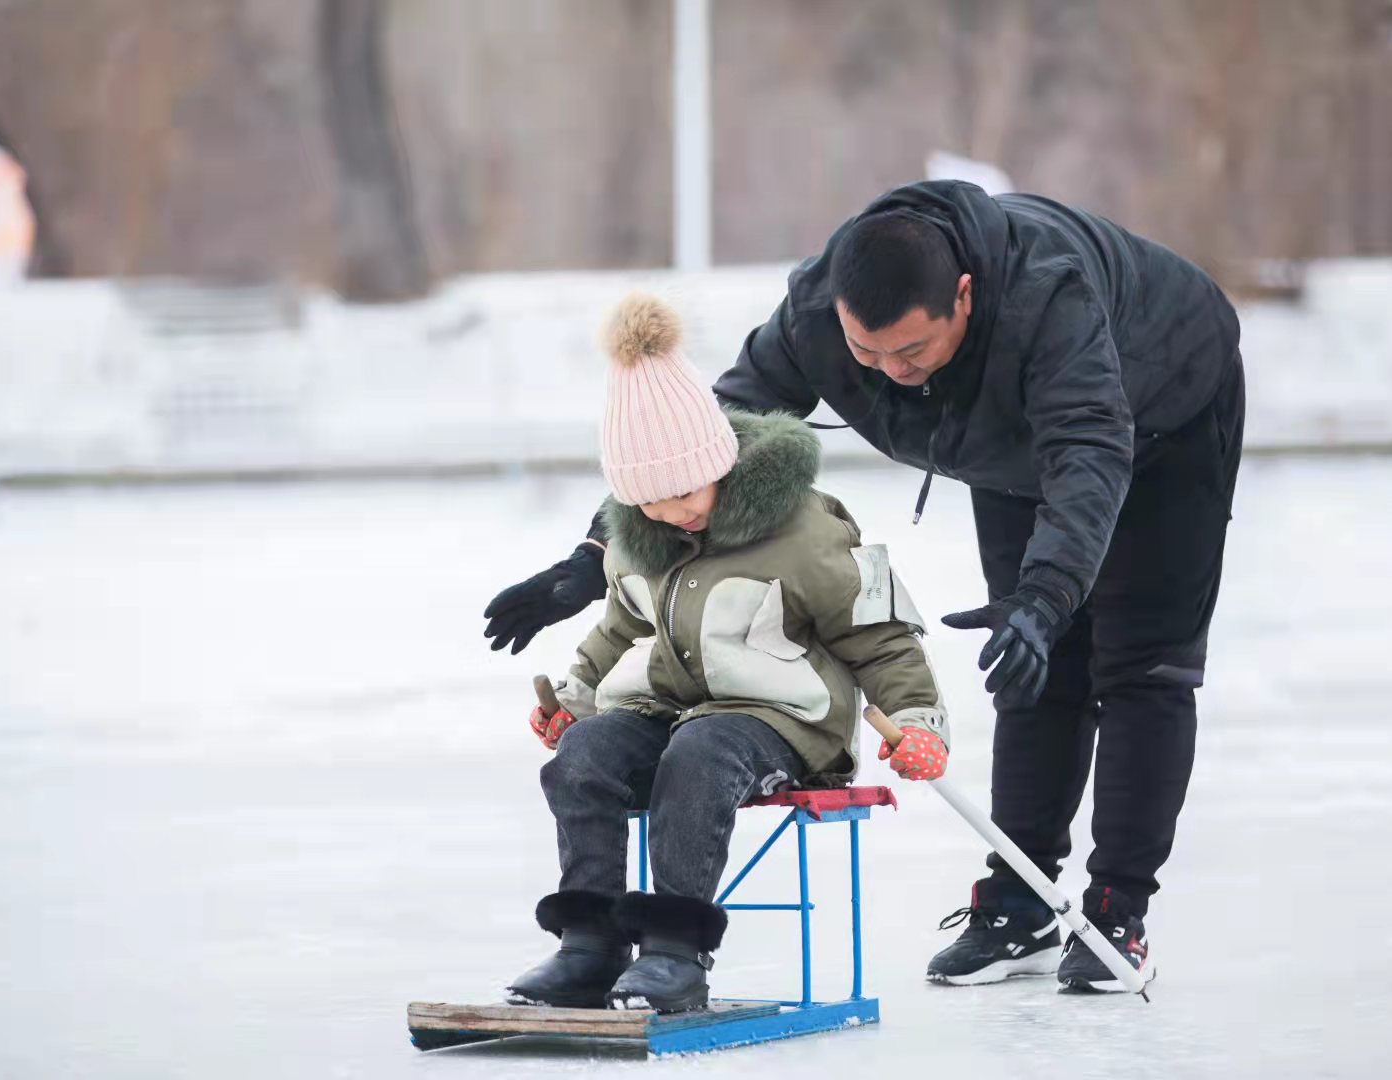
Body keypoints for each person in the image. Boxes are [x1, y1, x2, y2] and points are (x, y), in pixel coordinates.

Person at [487, 181, 1245, 993]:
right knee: (1032, 664)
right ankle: (1019, 902)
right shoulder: (817, 310)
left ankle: (1113, 912)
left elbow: (1091, 447)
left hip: (1166, 418)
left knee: (1138, 665)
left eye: (912, 354)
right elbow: (700, 442)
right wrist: (594, 554)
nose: (893, 374)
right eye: (867, 354)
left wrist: (1048, 594)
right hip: (1012, 442)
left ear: (964, 296)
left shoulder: (1046, 299)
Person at [507, 292, 950, 1013]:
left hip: (784, 719)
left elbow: (879, 635)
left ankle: (677, 955)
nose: (673, 511)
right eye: (650, 502)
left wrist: (920, 721)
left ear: (718, 460)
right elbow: (621, 626)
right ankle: (588, 946)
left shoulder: (803, 531)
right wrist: (577, 701)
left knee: (701, 754)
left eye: (686, 490)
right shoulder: (637, 540)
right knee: (583, 756)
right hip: (675, 707)